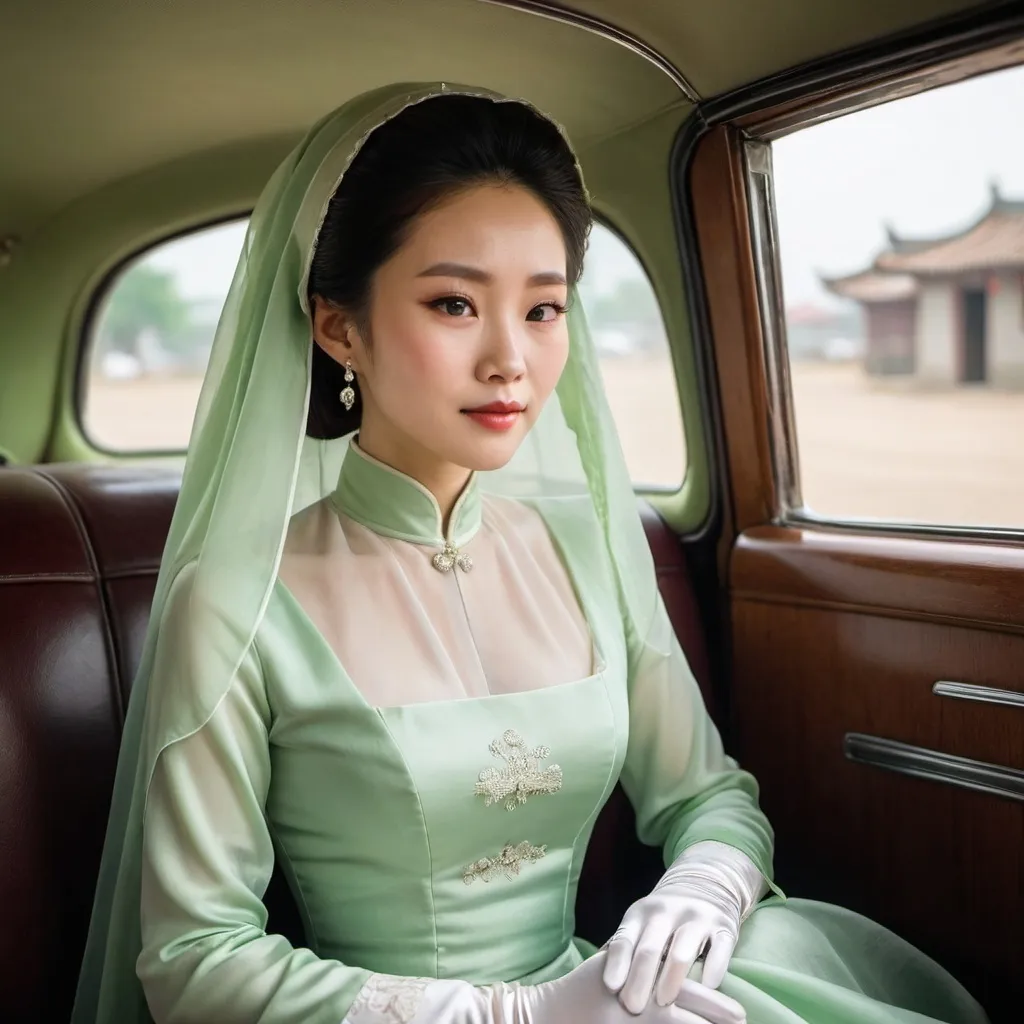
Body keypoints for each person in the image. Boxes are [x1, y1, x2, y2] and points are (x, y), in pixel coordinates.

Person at [71, 83, 990, 1024]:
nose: (511, 357)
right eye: (454, 303)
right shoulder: (235, 599)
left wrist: (703, 890)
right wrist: (518, 1017)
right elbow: (193, 959)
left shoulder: (589, 552)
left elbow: (710, 797)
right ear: (339, 326)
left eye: (544, 310)